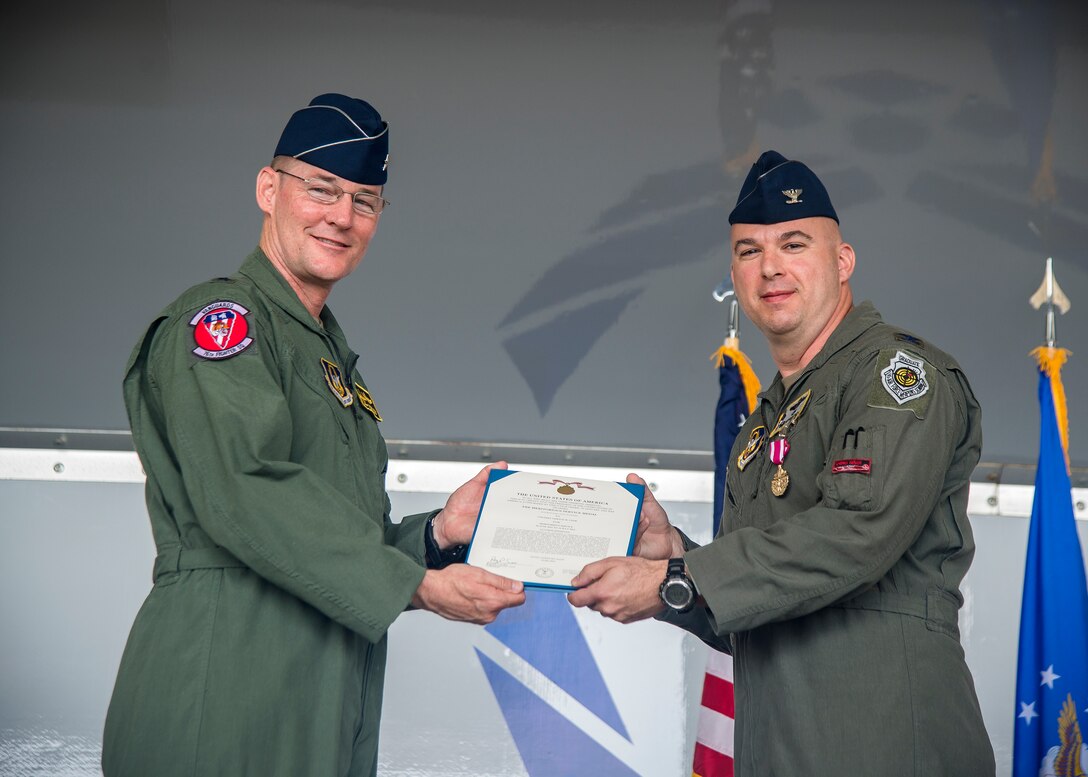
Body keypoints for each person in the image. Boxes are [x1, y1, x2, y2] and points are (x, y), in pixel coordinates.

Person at [102, 93, 526, 777]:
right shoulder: (224, 324)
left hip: (318, 690)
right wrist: (415, 586)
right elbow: (249, 494)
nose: (342, 216)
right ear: (269, 189)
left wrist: (435, 535)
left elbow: (334, 531)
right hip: (225, 686)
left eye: (365, 200)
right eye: (322, 189)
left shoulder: (324, 352)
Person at [569, 151, 996, 775]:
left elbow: (856, 535)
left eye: (794, 244)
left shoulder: (897, 375)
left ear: (842, 261)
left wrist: (671, 582)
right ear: (734, 276)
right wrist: (674, 558)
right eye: (748, 251)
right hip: (780, 746)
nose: (770, 266)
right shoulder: (768, 417)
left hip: (884, 743)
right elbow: (757, 602)